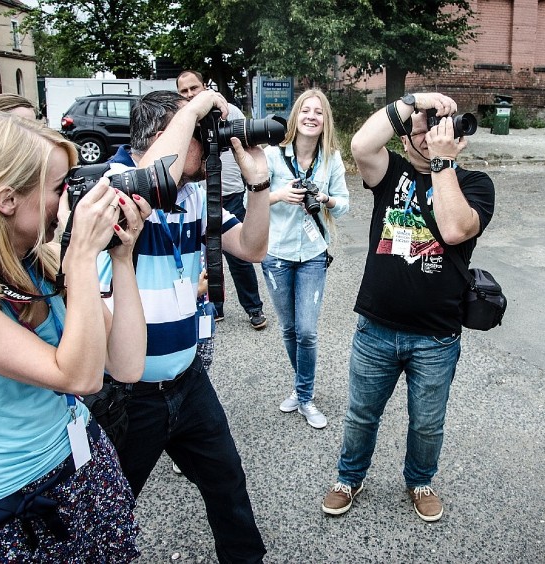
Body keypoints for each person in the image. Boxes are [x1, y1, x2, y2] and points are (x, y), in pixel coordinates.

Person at [0, 111, 149, 560]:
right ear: (6, 199)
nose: (73, 200)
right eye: (62, 187)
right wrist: (79, 254)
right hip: (12, 504)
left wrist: (121, 258)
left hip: (83, 463)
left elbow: (126, 365)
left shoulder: (37, 260)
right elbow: (79, 378)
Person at [100, 89, 269, 563]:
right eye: (201, 134)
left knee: (228, 485)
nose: (212, 143)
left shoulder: (195, 194)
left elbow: (252, 248)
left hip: (188, 381)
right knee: (111, 509)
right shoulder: (111, 184)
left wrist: (257, 186)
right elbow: (140, 189)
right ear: (163, 136)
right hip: (129, 396)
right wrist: (194, 107)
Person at [321, 93, 495, 521]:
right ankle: (349, 476)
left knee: (426, 424)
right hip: (376, 328)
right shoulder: (390, 172)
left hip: (436, 335)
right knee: (361, 415)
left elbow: (455, 229)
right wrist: (412, 102)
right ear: (403, 139)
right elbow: (361, 145)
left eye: (437, 127)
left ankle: (420, 481)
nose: (429, 133)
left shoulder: (476, 184)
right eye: (419, 128)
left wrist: (442, 164)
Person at [262, 89, 349, 429]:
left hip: (313, 254)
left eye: (319, 112)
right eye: (306, 111)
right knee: (288, 328)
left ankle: (306, 396)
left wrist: (325, 198)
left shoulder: (332, 159)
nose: (312, 116)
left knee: (307, 331)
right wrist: (281, 194)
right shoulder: (272, 156)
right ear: (296, 116)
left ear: (325, 121)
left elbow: (344, 206)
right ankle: (302, 391)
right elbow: (249, 202)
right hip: (276, 253)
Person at [176, 69, 268, 330]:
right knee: (205, 258)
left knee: (240, 258)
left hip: (232, 194)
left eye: (194, 88)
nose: (190, 94)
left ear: (205, 86)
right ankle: (214, 306)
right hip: (200, 198)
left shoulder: (231, 112)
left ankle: (254, 308)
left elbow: (247, 145)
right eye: (184, 91)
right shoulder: (184, 121)